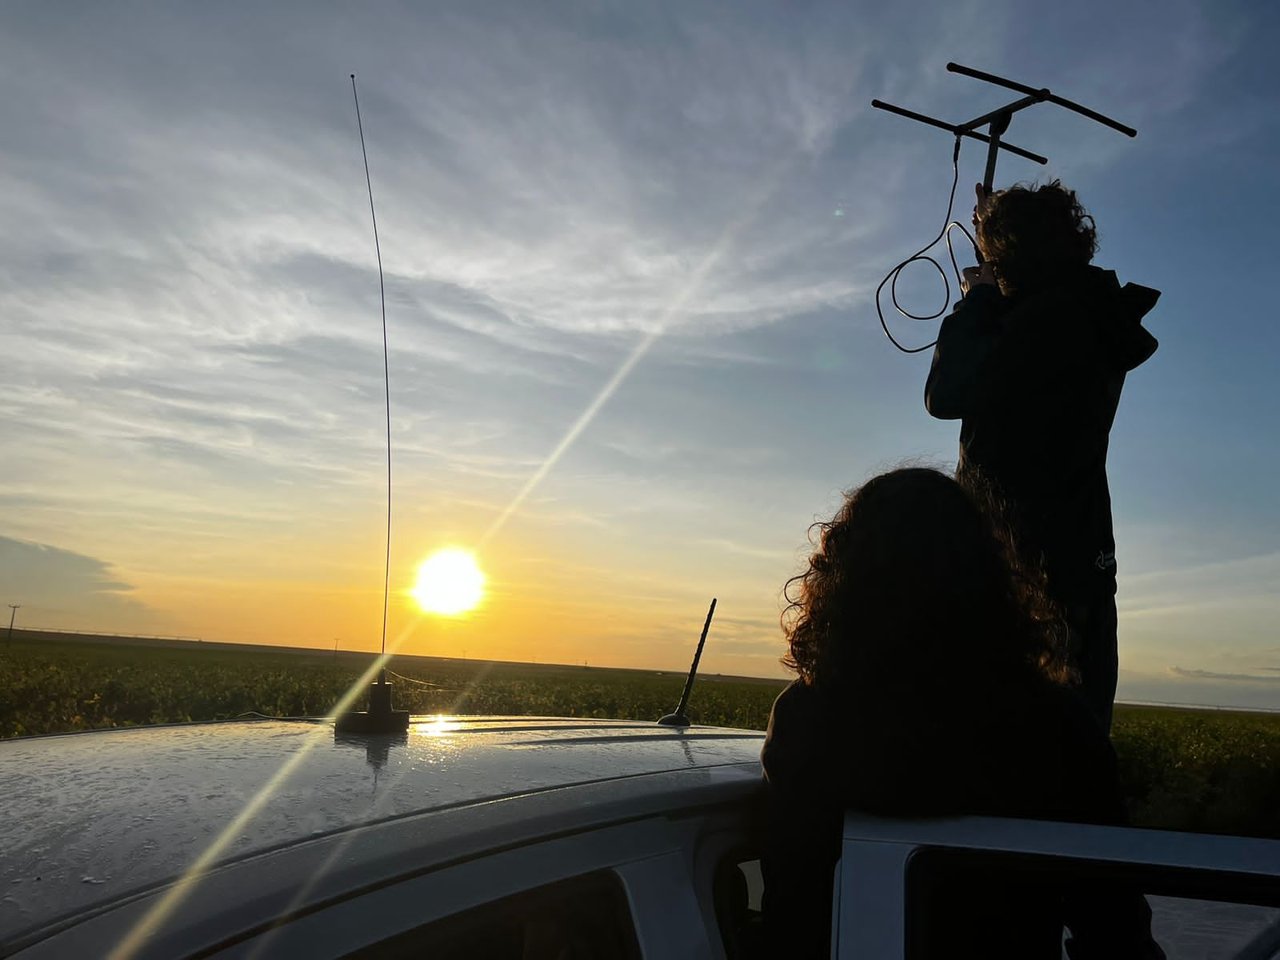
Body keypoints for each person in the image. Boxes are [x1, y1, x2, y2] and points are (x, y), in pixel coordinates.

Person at [760, 467, 1163, 959]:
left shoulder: (808, 719)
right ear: (989, 575)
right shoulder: (1056, 727)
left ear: (842, 581)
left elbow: (790, 906)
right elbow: (1113, 928)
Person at [925, 181, 1159, 733]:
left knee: (1008, 732)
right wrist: (992, 238)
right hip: (1081, 548)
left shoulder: (1049, 320)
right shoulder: (1092, 310)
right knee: (1077, 727)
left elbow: (948, 393)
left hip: (1019, 558)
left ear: (1010, 253)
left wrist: (978, 296)